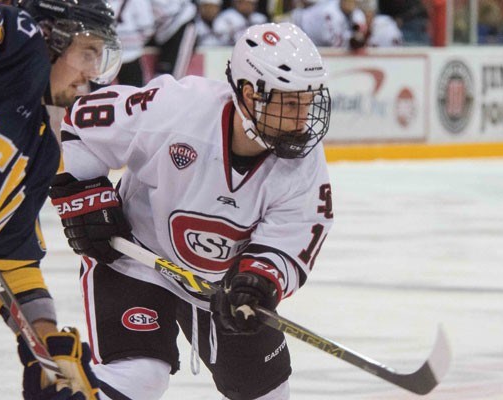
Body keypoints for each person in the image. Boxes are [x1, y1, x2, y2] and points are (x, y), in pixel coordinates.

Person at [49, 22, 333, 399]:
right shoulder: (176, 109)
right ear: (250, 94)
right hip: (137, 259)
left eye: (308, 101)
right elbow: (81, 125)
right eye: (290, 102)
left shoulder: (304, 164)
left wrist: (257, 281)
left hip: (223, 282)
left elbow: (294, 233)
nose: (302, 119)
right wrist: (85, 196)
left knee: (267, 393)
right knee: (141, 375)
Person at [0, 0, 121, 398]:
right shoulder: (18, 37)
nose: (94, 73)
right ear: (52, 35)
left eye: (100, 57)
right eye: (88, 52)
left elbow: (13, 259)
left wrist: (45, 344)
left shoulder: (43, 151)